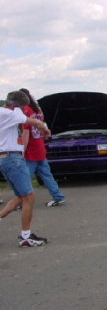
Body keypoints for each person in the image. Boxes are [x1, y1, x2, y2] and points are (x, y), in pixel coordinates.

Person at [0, 90, 50, 247]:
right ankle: (26, 236)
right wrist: (45, 129)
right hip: (13, 158)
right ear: (18, 106)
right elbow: (35, 122)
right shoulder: (11, 115)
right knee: (29, 197)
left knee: (22, 197)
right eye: (23, 107)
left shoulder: (4, 112)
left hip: (5, 158)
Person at [20, 88, 66, 207]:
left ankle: (21, 201)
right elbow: (43, 128)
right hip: (40, 147)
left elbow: (26, 132)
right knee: (47, 175)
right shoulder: (38, 111)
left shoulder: (26, 111)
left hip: (31, 149)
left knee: (25, 177)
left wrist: (22, 151)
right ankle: (57, 196)